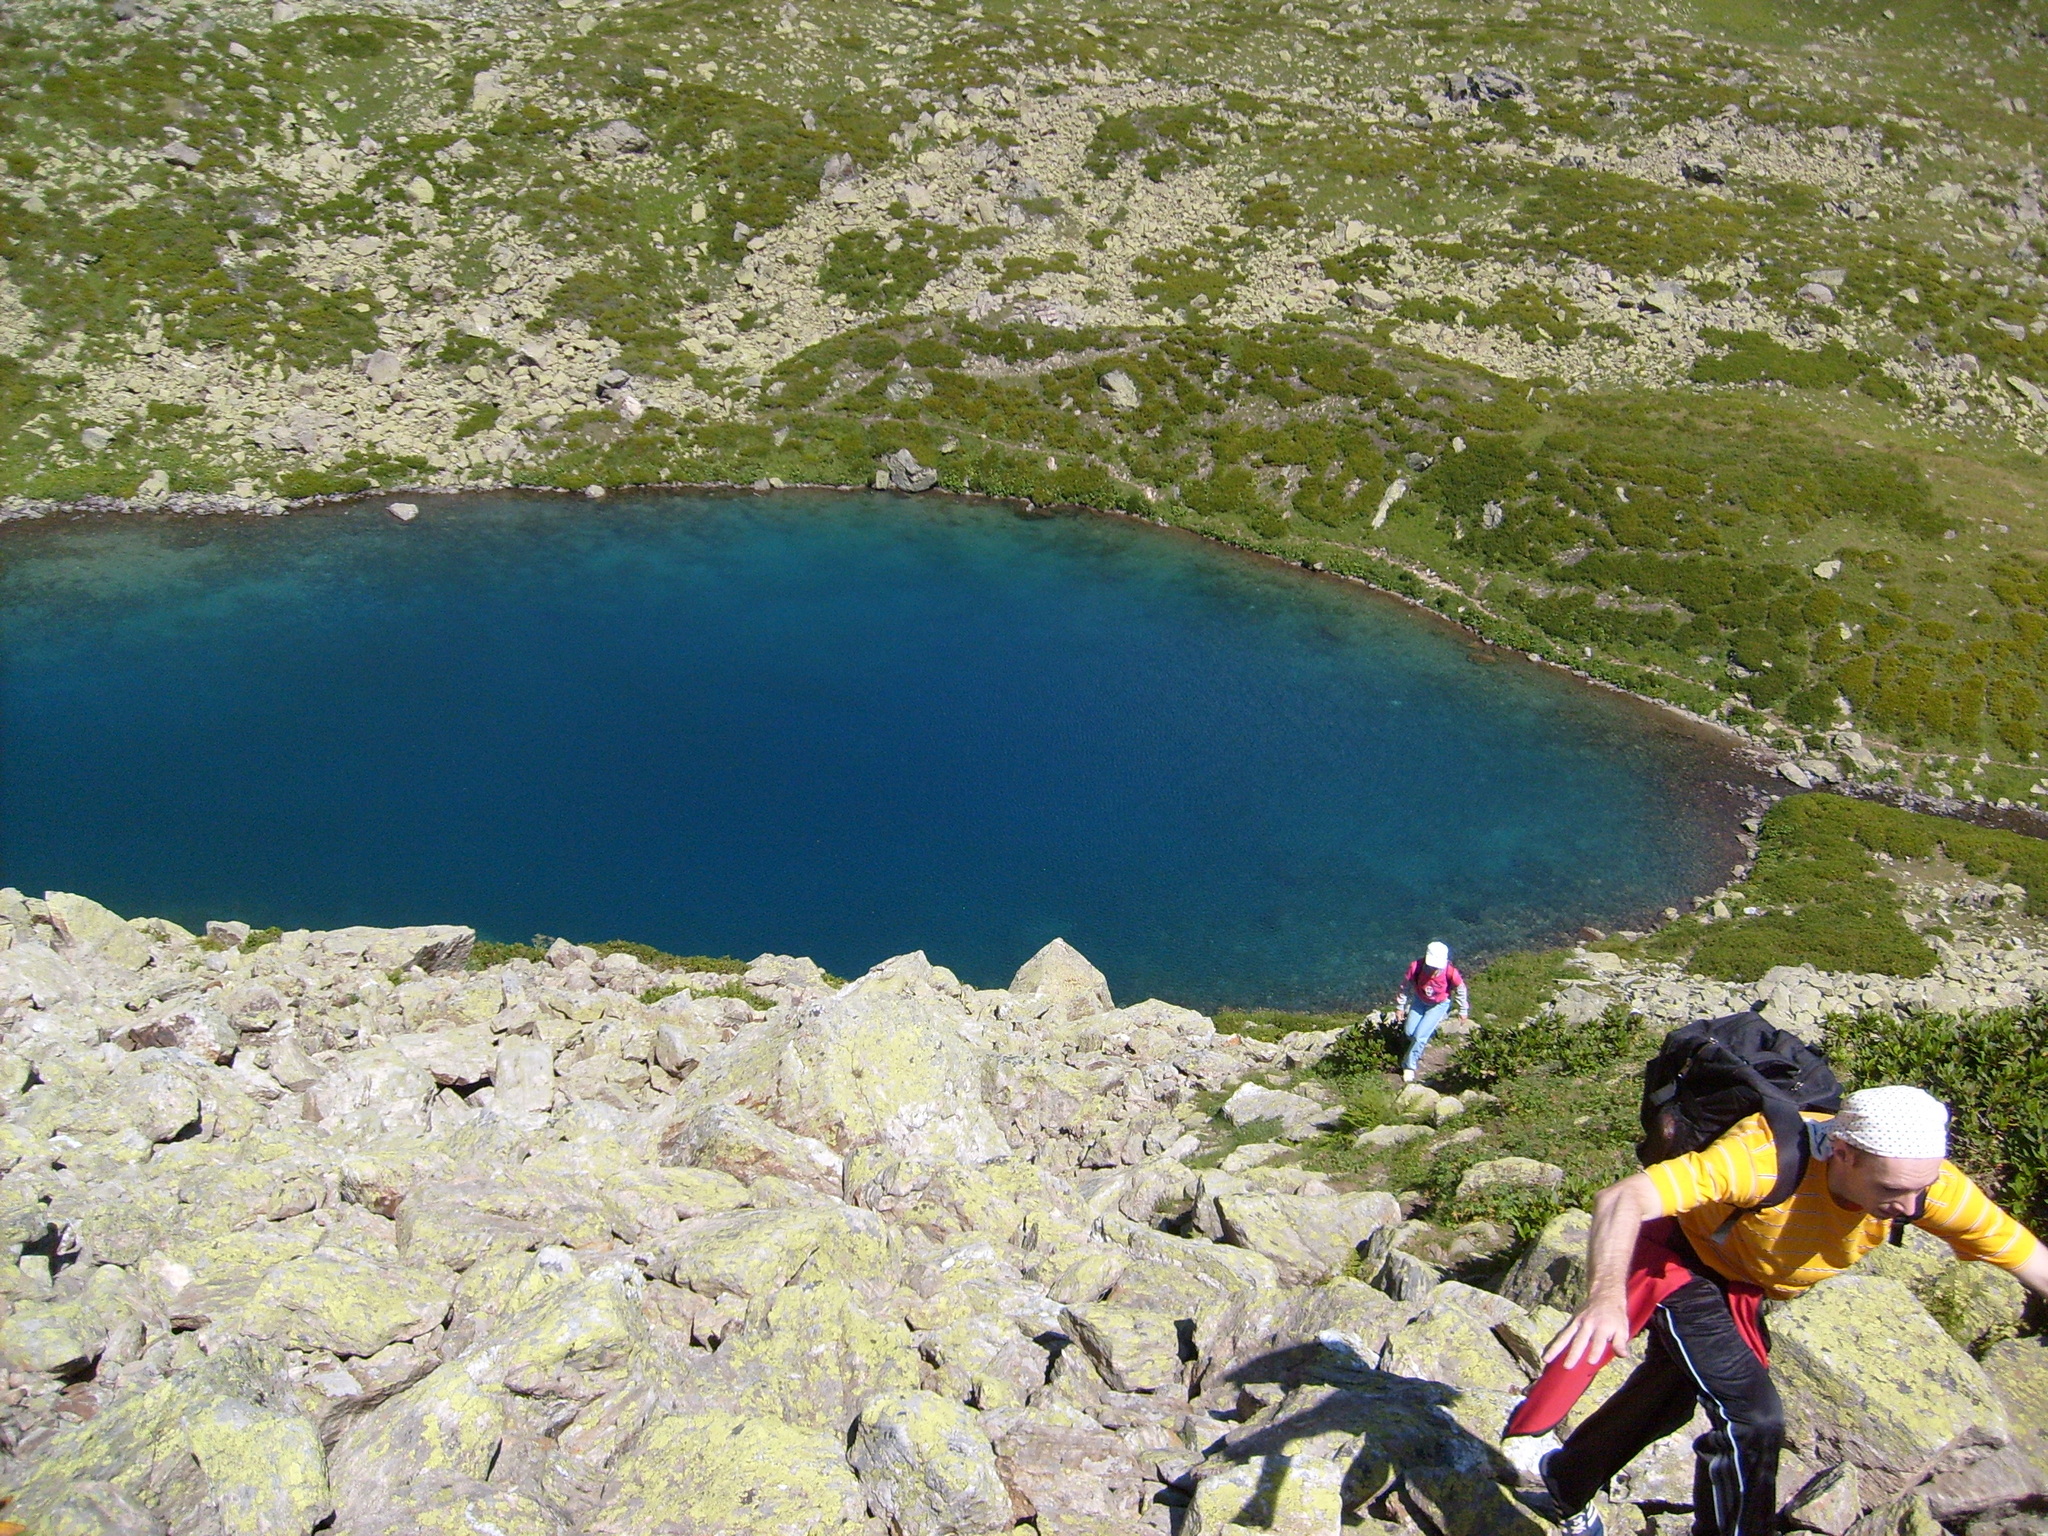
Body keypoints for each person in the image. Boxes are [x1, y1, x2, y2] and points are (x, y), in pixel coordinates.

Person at [1518, 1085, 2048, 1536]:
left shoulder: (1927, 1188)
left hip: (1741, 1283)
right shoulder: (1761, 1158)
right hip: (1678, 1263)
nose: (1910, 1209)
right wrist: (1606, 1297)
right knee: (1753, 1419)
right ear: (1842, 1151)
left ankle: (1566, 1481)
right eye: (1893, 1190)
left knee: (1672, 1395)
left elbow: (2027, 1256)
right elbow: (1621, 1199)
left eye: (1921, 1190)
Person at [1394, 940, 1468, 1083]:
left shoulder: (1450, 972)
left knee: (1419, 1036)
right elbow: (1404, 987)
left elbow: (1461, 989)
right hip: (1419, 1001)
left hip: (1439, 1005)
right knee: (1409, 1032)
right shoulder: (1416, 967)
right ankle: (1424, 1037)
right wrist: (1400, 1006)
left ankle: (1409, 1065)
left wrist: (1463, 1009)